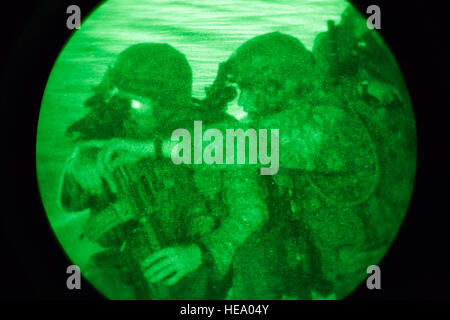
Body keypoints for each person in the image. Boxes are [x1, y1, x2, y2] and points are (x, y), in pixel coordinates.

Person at [60, 43, 216, 299]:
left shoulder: (209, 131)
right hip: (137, 260)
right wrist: (79, 160)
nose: (125, 112)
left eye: (135, 103)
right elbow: (71, 204)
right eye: (121, 98)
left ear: (166, 102)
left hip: (201, 264)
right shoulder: (115, 131)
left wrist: (199, 253)